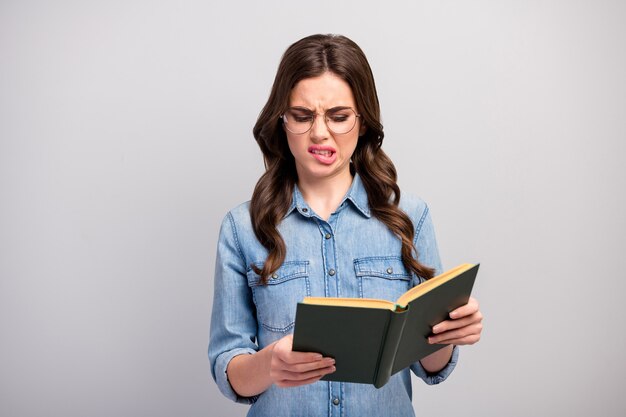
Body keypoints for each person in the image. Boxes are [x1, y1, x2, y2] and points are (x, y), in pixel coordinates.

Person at [208, 34, 483, 417]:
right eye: (303, 116)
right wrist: (270, 362)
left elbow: (429, 366)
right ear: (282, 120)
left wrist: (448, 336)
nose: (320, 133)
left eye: (338, 117)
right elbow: (229, 370)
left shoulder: (410, 217)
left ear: (364, 122)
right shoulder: (242, 228)